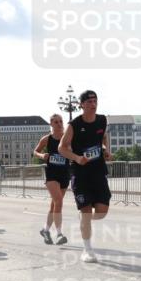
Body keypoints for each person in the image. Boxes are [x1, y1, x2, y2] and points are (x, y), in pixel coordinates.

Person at [59, 90, 112, 262]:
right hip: (80, 173)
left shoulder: (102, 120)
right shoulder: (74, 124)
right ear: (81, 104)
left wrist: (105, 150)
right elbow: (62, 147)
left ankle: (84, 219)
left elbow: (103, 137)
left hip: (98, 170)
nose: (92, 103)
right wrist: (76, 158)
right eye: (88, 101)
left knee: (102, 211)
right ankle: (87, 250)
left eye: (95, 100)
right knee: (87, 212)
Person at [33, 114, 70, 245]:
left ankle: (45, 230)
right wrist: (42, 155)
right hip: (52, 174)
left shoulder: (67, 138)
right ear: (51, 124)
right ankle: (59, 234)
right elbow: (35, 151)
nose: (59, 124)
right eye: (56, 122)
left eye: (61, 121)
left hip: (65, 174)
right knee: (58, 201)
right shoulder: (47, 139)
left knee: (54, 205)